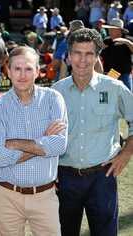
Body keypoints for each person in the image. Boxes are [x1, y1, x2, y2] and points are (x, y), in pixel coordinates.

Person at [52, 28, 133, 236]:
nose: (83, 60)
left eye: (89, 54)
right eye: (77, 53)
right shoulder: (55, 92)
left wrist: (126, 153)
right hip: (64, 178)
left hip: (102, 177)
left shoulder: (115, 88)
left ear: (98, 57)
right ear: (69, 56)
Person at [0, 46, 68, 236]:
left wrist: (15, 143)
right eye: (17, 68)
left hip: (44, 196)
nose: (22, 75)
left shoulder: (53, 99)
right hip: (7, 197)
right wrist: (43, 143)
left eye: (29, 68)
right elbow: (0, 157)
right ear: (8, 71)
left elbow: (59, 145)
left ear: (38, 71)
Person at [101, 18, 133, 91]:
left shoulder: (128, 40)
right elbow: (100, 56)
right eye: (109, 29)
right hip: (111, 73)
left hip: (124, 73)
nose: (109, 31)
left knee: (126, 96)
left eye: (111, 29)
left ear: (119, 30)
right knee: (106, 96)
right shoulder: (106, 41)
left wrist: (126, 42)